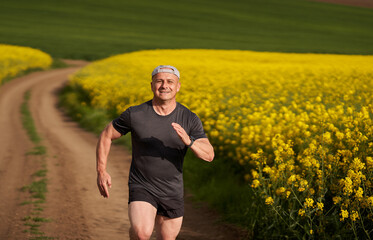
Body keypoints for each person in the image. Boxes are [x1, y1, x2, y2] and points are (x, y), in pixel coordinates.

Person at [96, 65, 214, 240]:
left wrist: (190, 142)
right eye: (159, 81)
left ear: (178, 86)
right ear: (152, 85)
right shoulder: (135, 114)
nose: (164, 85)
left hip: (172, 190)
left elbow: (209, 155)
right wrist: (101, 171)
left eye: (170, 82)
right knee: (142, 233)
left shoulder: (189, 118)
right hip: (142, 185)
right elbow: (106, 135)